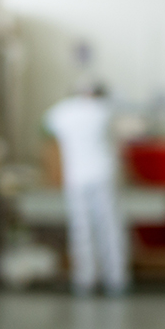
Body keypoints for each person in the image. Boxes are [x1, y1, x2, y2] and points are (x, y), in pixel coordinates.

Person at [43, 84, 129, 295]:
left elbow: (44, 129)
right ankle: (116, 279)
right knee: (109, 227)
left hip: (77, 177)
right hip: (102, 174)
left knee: (81, 228)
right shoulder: (103, 109)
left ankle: (85, 280)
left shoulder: (60, 111)